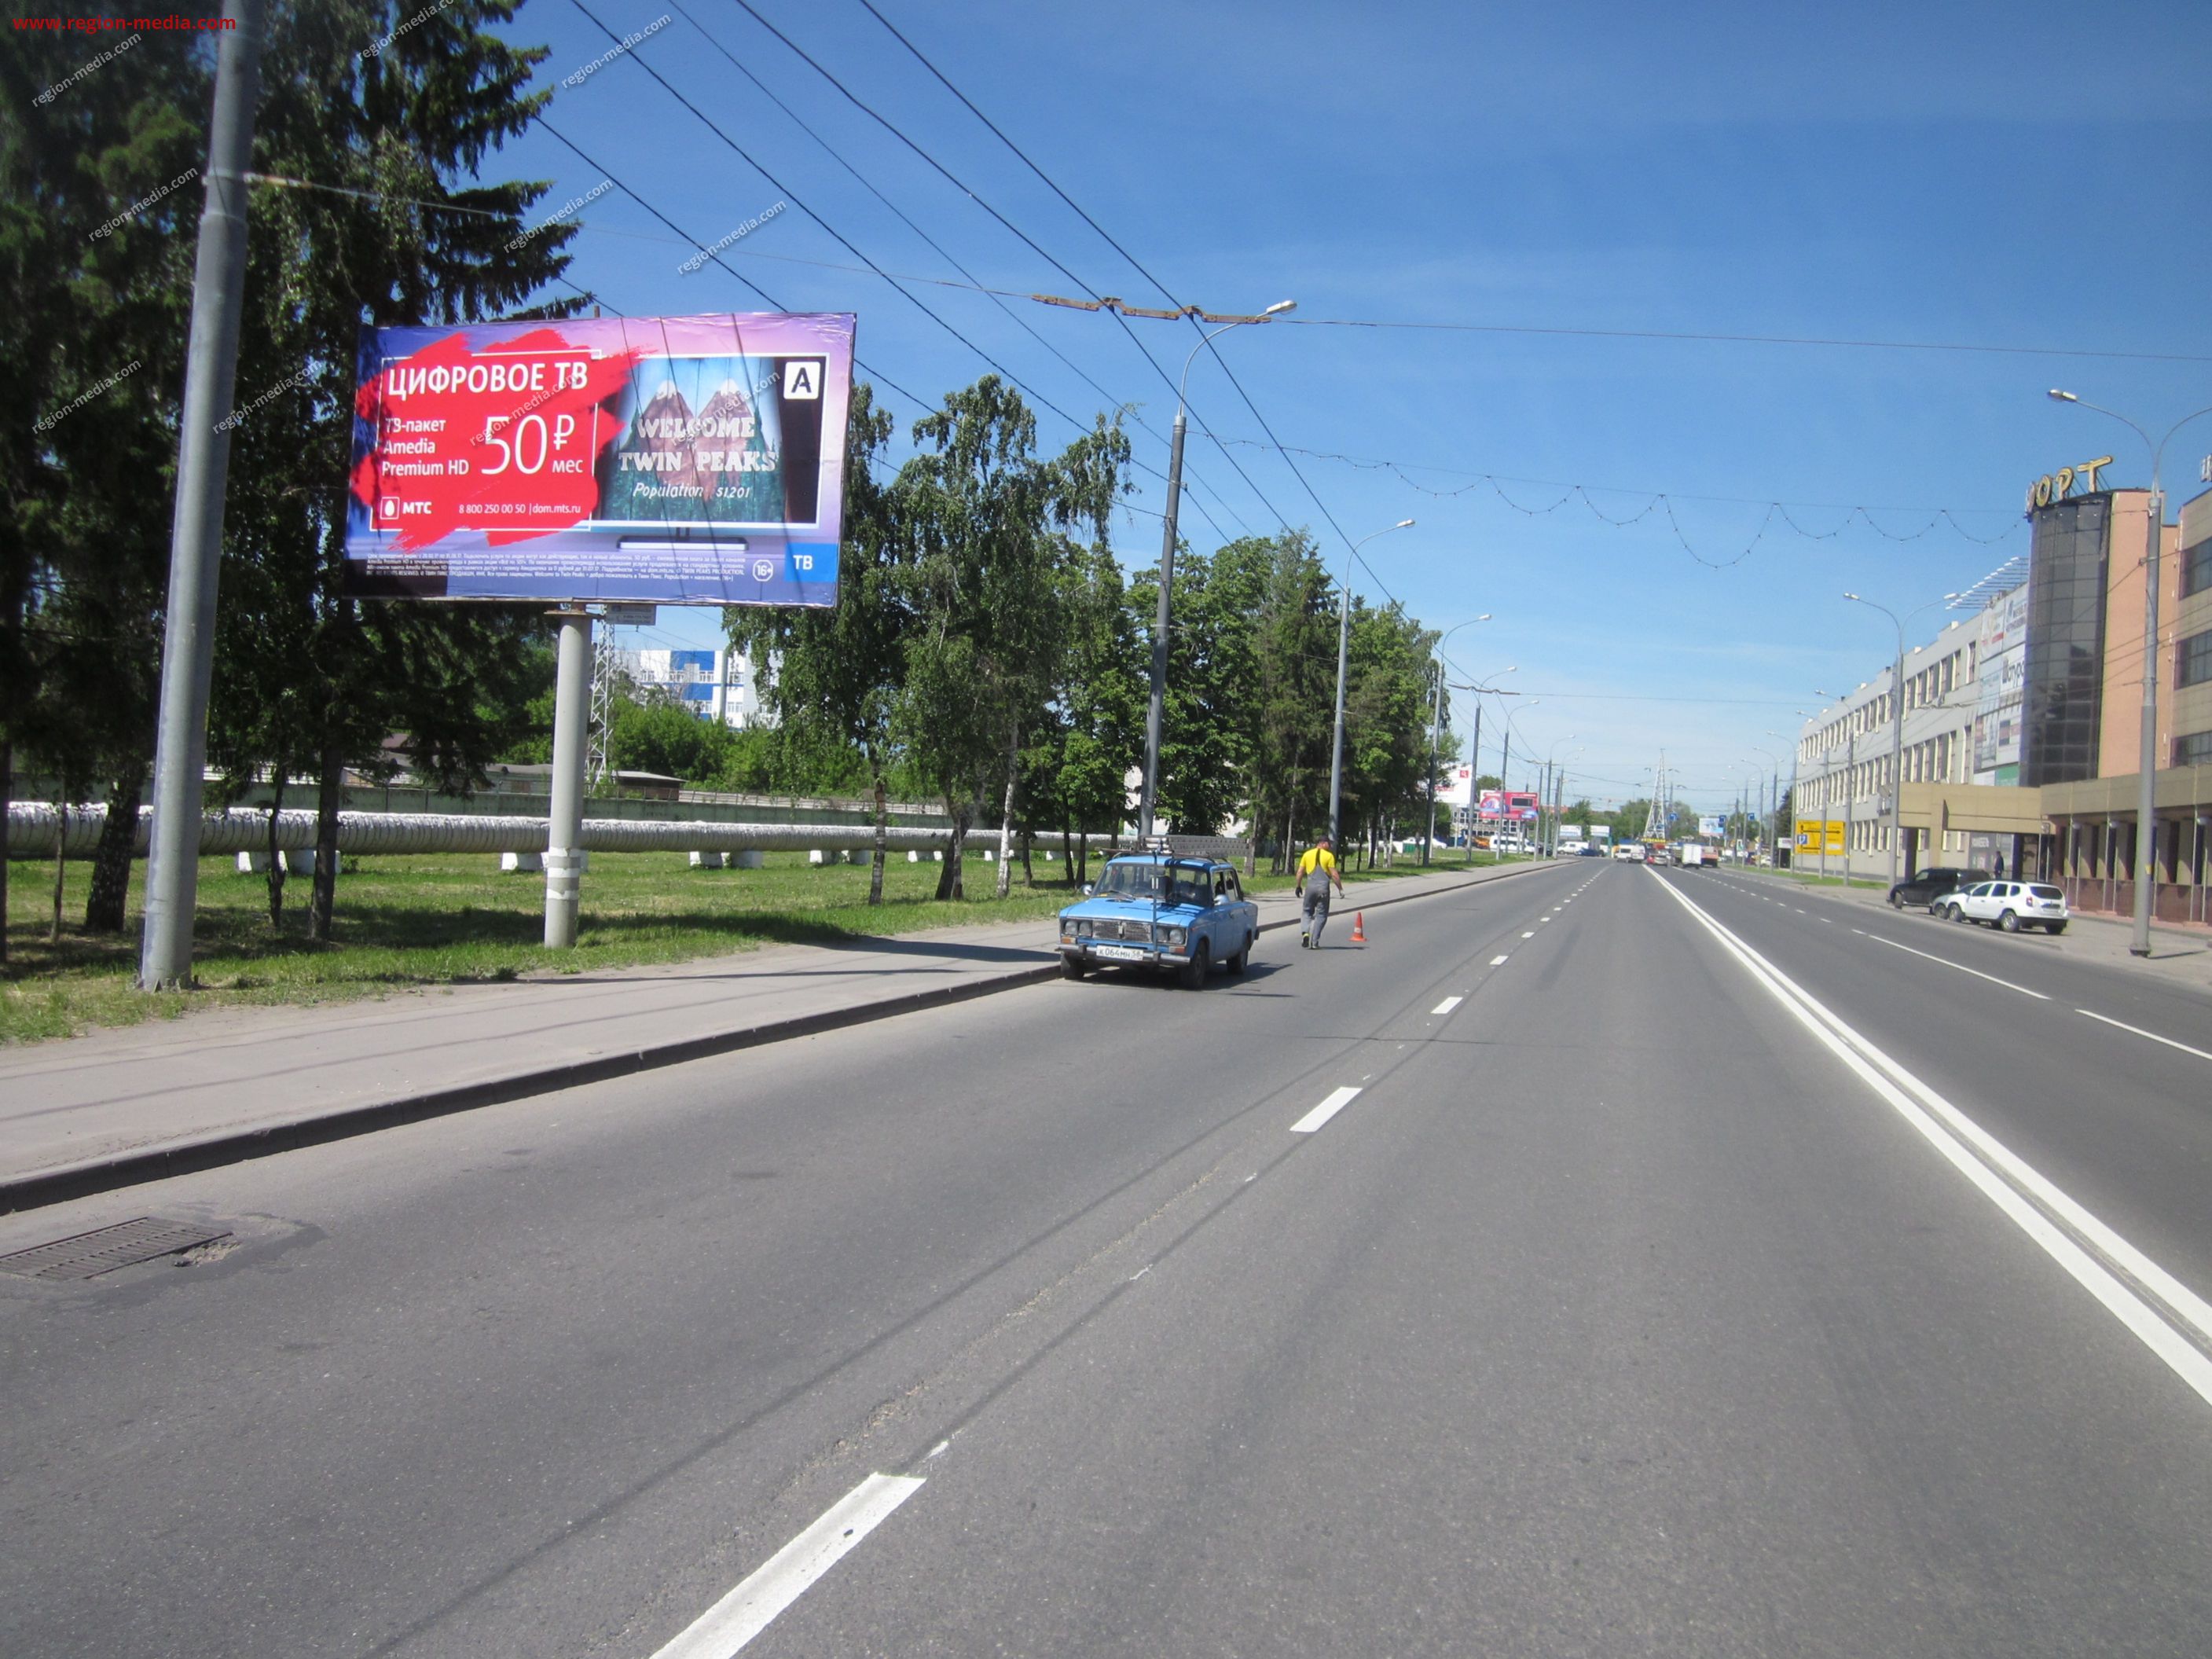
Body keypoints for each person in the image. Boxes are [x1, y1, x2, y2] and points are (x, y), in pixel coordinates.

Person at [1294, 833, 1345, 948]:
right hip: (1323, 889)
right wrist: (1340, 889)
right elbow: (1334, 875)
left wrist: (1298, 886)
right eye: (1328, 843)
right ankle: (1315, 941)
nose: (1330, 846)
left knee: (1307, 912)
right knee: (1321, 915)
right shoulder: (1329, 856)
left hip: (1310, 888)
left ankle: (1305, 932)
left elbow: (1300, 872)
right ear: (1322, 843)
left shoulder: (1307, 855)